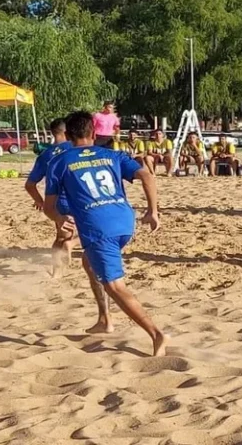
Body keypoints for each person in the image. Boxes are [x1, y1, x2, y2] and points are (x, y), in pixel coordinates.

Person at [44, 111, 167, 356]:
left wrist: (59, 219)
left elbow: (49, 205)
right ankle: (105, 319)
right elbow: (146, 175)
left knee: (114, 284)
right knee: (88, 263)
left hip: (98, 226)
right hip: (125, 220)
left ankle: (157, 335)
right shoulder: (112, 154)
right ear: (94, 133)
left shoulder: (59, 161)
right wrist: (153, 211)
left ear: (67, 136)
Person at [25, 117, 78, 274]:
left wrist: (40, 202)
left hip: (57, 201)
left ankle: (56, 271)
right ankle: (73, 245)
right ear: (67, 131)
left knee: (61, 236)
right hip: (78, 197)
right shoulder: (76, 147)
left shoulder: (45, 154)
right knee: (96, 230)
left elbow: (29, 185)